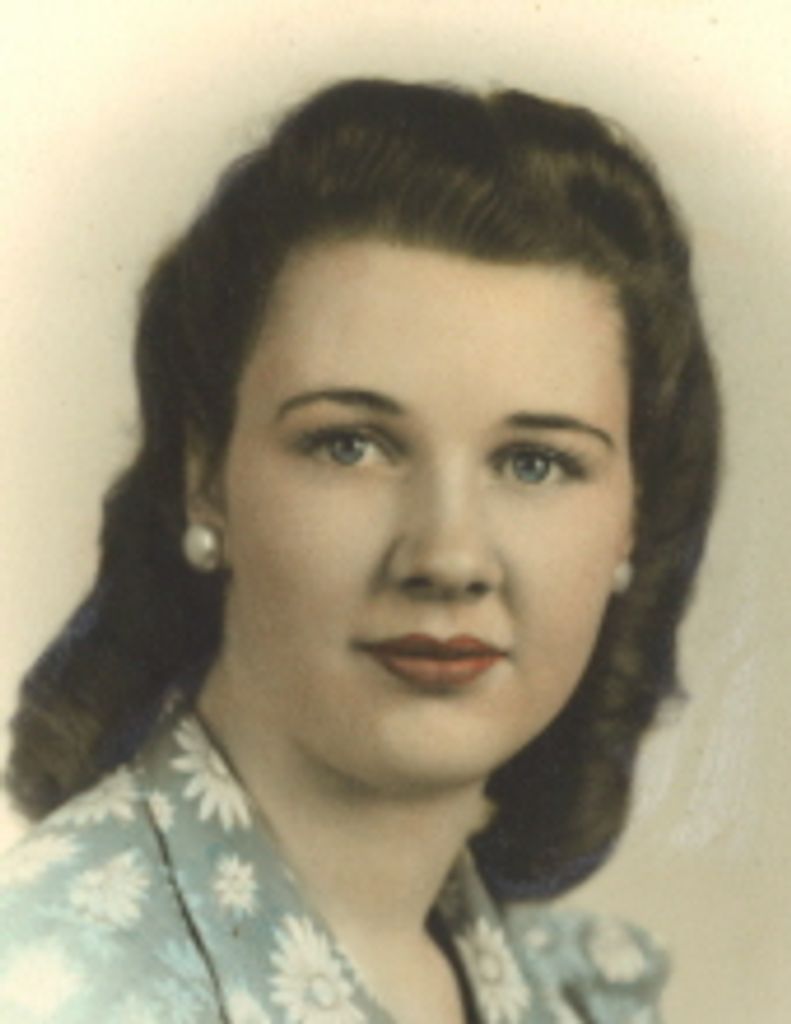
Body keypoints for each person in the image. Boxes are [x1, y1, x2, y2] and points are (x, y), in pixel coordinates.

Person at [0, 78, 719, 1023]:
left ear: (632, 517)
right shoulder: (46, 979)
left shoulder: (580, 995)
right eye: (350, 445)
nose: (449, 557)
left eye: (535, 462)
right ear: (205, 478)